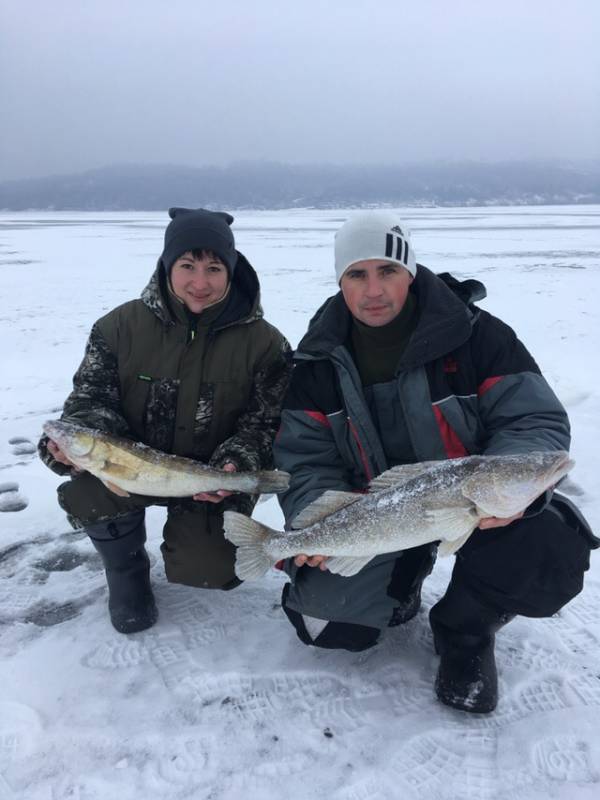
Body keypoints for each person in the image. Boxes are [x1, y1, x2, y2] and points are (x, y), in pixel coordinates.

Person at [273, 211, 597, 713]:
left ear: (411, 272)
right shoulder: (316, 362)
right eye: (357, 274)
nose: (373, 289)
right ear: (340, 281)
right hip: (376, 515)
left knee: (545, 552)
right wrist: (316, 522)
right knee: (328, 625)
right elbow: (305, 460)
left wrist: (510, 487)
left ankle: (466, 632)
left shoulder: (477, 336)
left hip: (472, 504)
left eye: (388, 271)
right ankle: (401, 580)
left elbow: (532, 422)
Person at [39, 207, 291, 634]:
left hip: (206, 480)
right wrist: (67, 449)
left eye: (214, 268)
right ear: (166, 265)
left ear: (231, 271)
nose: (200, 282)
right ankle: (126, 572)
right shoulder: (118, 327)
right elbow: (90, 400)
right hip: (133, 464)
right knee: (89, 494)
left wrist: (235, 464)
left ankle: (201, 541)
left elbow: (263, 423)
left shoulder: (265, 344)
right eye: (187, 266)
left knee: (211, 569)